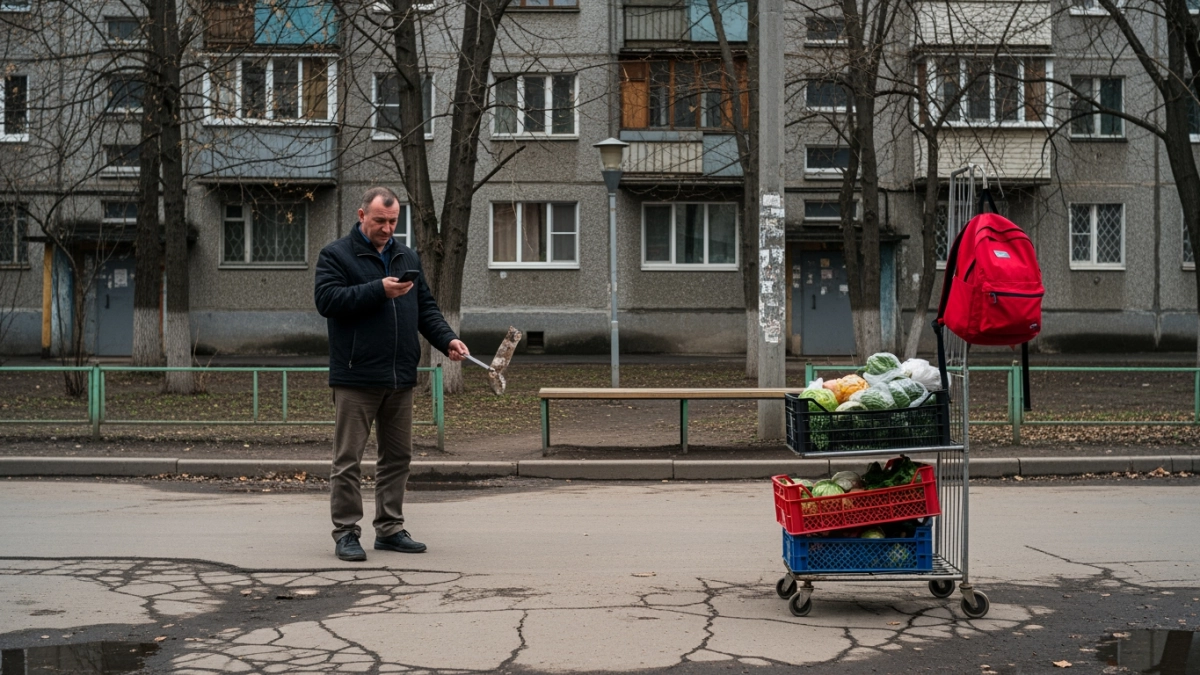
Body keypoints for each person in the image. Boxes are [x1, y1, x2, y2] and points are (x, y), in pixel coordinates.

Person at [314, 186, 469, 561]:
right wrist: (377, 290)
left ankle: (390, 528)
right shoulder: (336, 255)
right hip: (355, 376)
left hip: (400, 376)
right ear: (361, 214)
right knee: (348, 460)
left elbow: (426, 308)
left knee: (398, 457)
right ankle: (346, 533)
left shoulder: (406, 256)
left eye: (393, 221)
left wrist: (447, 339)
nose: (387, 228)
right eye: (380, 220)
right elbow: (328, 301)